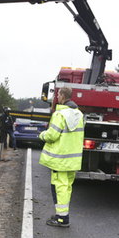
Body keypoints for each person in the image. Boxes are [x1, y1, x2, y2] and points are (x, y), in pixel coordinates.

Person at [38, 87, 84, 227]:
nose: (56, 96)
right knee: (66, 187)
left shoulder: (60, 114)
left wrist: (42, 135)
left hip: (60, 159)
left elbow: (52, 135)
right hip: (73, 158)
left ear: (62, 96)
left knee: (59, 187)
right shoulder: (79, 114)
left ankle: (62, 219)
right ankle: (61, 215)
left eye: (57, 94)